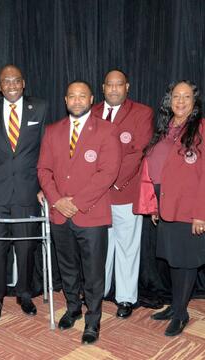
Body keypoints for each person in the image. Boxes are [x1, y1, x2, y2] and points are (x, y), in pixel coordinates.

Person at [38, 81, 121, 344]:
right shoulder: (52, 131)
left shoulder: (107, 130)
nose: (76, 101)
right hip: (60, 214)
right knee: (68, 267)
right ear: (65, 100)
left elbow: (108, 173)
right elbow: (43, 170)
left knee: (94, 272)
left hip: (91, 214)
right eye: (71, 96)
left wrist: (77, 202)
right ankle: (73, 308)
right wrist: (57, 200)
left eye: (81, 96)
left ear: (91, 99)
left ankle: (93, 320)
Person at [0, 64, 48, 322]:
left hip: (28, 191)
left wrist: (42, 186)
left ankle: (24, 294)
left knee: (26, 246)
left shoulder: (40, 108)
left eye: (16, 80)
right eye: (6, 81)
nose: (12, 85)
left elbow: (46, 152)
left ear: (23, 82)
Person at [135, 80, 205, 336]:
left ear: (194, 102)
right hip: (165, 204)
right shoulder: (167, 128)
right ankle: (176, 305)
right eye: (176, 96)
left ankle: (181, 313)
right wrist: (154, 205)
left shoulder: (201, 129)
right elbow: (155, 166)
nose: (181, 101)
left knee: (185, 262)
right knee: (173, 261)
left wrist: (201, 213)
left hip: (189, 208)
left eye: (186, 97)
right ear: (169, 100)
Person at [92, 69, 153, 318]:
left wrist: (111, 181)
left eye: (119, 85)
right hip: (96, 196)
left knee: (127, 246)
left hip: (125, 191)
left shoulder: (142, 113)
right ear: (103, 87)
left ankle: (126, 298)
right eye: (110, 85)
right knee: (100, 247)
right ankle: (100, 290)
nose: (114, 89)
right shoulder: (92, 111)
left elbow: (138, 152)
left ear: (127, 87)